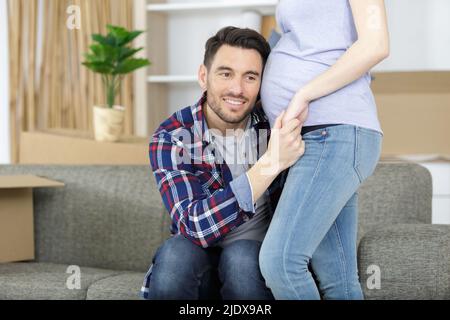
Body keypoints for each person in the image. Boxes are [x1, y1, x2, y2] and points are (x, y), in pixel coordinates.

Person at [140, 26, 305, 300]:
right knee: (175, 257)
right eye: (225, 73)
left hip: (253, 261)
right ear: (203, 76)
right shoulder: (172, 137)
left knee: (240, 258)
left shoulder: (275, 127)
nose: (237, 89)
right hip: (197, 256)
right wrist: (270, 164)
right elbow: (195, 226)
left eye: (250, 77)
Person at [259, 0, 390, 300]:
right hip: (313, 137)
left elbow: (376, 43)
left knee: (280, 262)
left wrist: (302, 93)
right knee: (338, 281)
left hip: (334, 132)